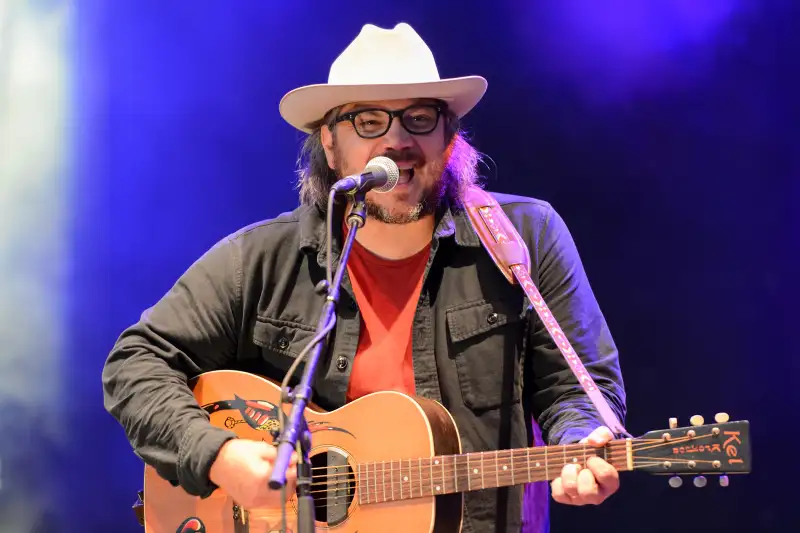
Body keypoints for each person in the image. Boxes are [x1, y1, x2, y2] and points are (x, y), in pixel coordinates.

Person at [102, 22, 627, 533]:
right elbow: (135, 364)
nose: (397, 140)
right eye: (368, 121)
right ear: (330, 145)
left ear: (449, 138)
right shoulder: (260, 260)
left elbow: (577, 387)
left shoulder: (524, 238)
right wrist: (220, 455)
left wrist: (582, 442)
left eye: (419, 118)